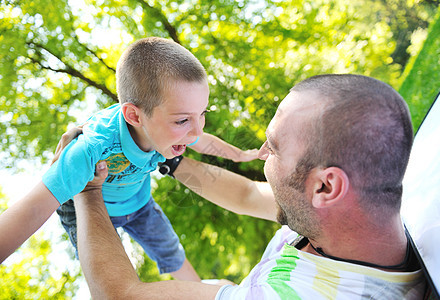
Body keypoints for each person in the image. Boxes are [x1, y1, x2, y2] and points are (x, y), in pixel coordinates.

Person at [0, 74, 425, 298]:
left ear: (326, 187)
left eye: (273, 148)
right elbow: (243, 195)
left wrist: (88, 192)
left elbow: (122, 296)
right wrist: (171, 151)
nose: (260, 151)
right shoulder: (358, 214)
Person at [0, 37, 258, 281]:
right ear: (134, 116)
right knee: (109, 274)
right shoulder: (93, 147)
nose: (196, 130)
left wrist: (243, 155)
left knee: (169, 248)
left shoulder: (171, 129)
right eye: (183, 120)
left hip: (136, 203)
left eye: (202, 114)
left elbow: (204, 142)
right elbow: (33, 209)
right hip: (87, 206)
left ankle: (199, 290)